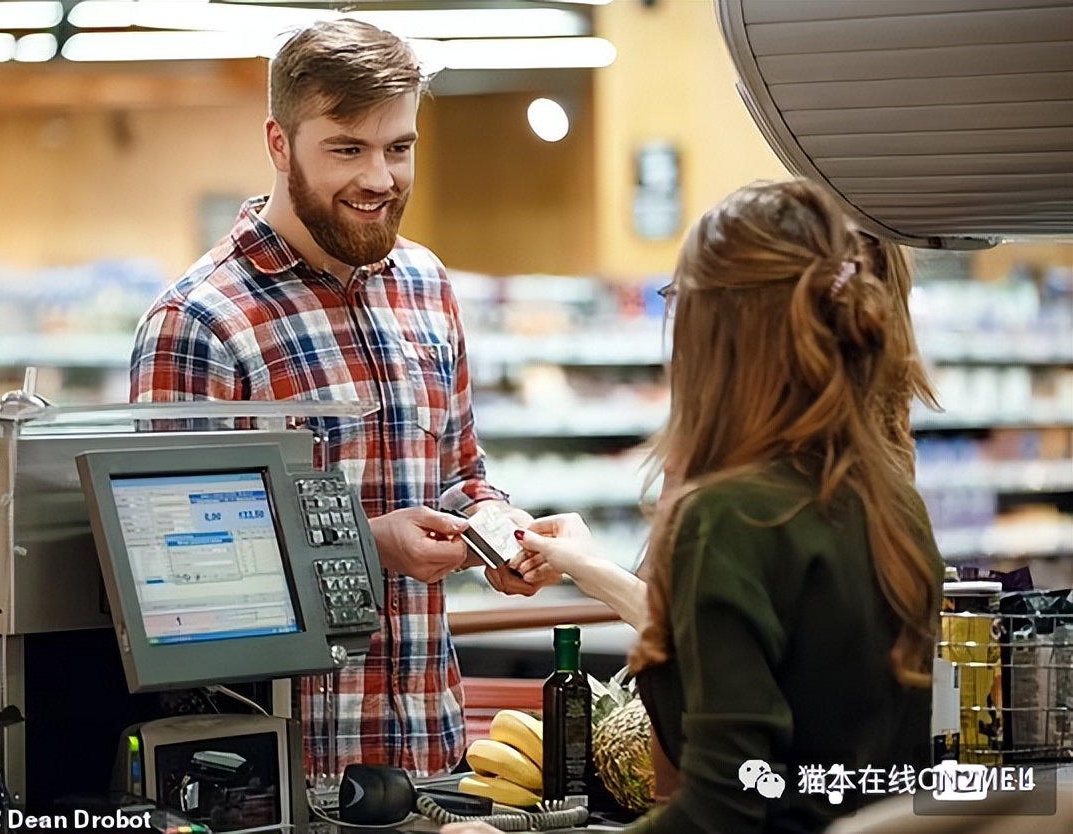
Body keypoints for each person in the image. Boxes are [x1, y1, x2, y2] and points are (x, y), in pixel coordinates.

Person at [452, 179, 944, 834]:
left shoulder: (728, 516)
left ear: (718, 327)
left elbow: (722, 811)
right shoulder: (891, 499)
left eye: (680, 299)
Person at [129, 18, 553, 779]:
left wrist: (496, 526)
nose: (380, 179)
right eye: (347, 149)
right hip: (285, 776)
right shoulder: (199, 322)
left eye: (399, 148)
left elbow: (461, 468)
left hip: (436, 755)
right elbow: (172, 580)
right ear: (279, 143)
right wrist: (367, 545)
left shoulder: (426, 286)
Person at [513, 224, 941, 627]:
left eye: (686, 301)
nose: (681, 329)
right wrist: (591, 566)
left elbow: (709, 649)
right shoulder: (863, 459)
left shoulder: (769, 486)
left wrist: (594, 572)